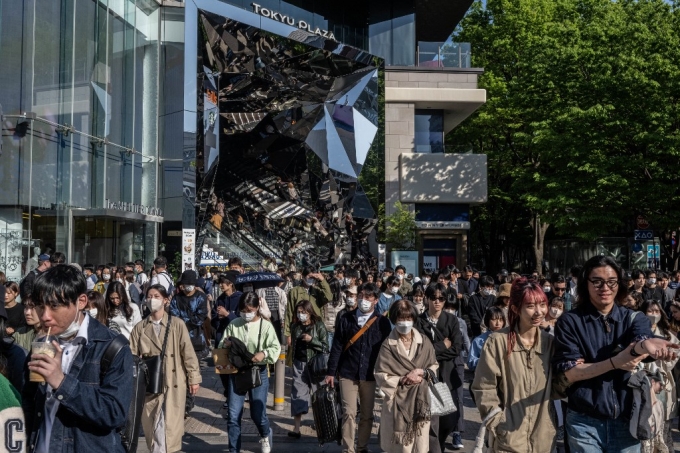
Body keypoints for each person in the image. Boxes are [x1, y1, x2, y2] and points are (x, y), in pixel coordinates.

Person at [553, 256, 680, 453]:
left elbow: (640, 341)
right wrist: (616, 361)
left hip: (627, 418)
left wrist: (645, 345)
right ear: (585, 283)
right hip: (583, 420)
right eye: (597, 281)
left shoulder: (634, 317)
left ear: (619, 284)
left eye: (611, 282)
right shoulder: (570, 322)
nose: (605, 287)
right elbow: (571, 373)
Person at [22, 264, 133, 452]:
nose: (45, 316)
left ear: (81, 301)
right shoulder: (42, 342)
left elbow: (114, 413)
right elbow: (30, 402)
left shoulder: (112, 347)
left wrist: (61, 381)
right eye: (41, 307)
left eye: (55, 306)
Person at [472, 278, 556, 452]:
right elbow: (483, 387)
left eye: (542, 304)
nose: (539, 312)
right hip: (507, 440)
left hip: (544, 440)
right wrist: (498, 423)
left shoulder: (550, 343)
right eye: (531, 306)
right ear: (516, 309)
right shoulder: (498, 342)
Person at [130, 284, 202, 452]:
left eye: (156, 296)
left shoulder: (177, 324)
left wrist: (194, 378)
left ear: (165, 299)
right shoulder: (140, 328)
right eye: (149, 296)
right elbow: (131, 356)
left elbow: (188, 353)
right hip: (150, 385)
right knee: (153, 426)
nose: (152, 299)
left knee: (169, 427)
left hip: (173, 381)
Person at [325, 282, 392, 453]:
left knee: (367, 415)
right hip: (348, 372)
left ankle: (362, 446)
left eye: (368, 296)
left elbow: (386, 349)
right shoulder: (346, 318)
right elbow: (337, 346)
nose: (363, 299)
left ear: (376, 300)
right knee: (348, 412)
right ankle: (348, 448)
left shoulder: (382, 322)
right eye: (361, 295)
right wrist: (331, 372)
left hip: (369, 374)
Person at [218, 292, 281, 453]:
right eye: (243, 310)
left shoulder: (265, 326)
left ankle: (266, 433)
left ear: (257, 308)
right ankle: (234, 449)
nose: (246, 314)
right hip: (237, 372)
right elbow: (221, 345)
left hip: (257, 371)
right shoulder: (234, 324)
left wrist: (264, 353)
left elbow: (275, 347)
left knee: (257, 413)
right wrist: (225, 344)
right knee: (233, 415)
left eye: (250, 310)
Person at [374, 299, 438, 453]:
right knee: (400, 446)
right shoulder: (388, 345)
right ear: (394, 320)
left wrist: (422, 372)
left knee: (419, 444)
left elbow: (433, 365)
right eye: (401, 319)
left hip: (420, 400)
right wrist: (402, 379)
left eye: (408, 318)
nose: (405, 322)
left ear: (414, 319)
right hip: (396, 400)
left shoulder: (424, 341)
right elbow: (380, 373)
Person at [418, 283, 464, 452]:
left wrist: (434, 352)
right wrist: (443, 346)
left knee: (449, 419)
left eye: (441, 298)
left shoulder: (451, 320)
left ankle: (441, 443)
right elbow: (420, 351)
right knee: (432, 419)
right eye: (433, 298)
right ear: (427, 299)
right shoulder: (419, 321)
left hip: (448, 374)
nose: (437, 302)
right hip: (428, 376)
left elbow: (457, 348)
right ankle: (435, 449)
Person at [639, 299, 679, 450]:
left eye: (656, 311)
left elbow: (675, 354)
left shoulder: (668, 335)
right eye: (650, 311)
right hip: (643, 382)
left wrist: (664, 360)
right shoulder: (638, 333)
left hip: (663, 382)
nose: (653, 315)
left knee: (663, 425)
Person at [287, 300, 328, 438]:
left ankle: (321, 425)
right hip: (299, 364)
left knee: (318, 396)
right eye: (298, 312)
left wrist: (312, 340)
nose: (301, 315)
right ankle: (296, 429)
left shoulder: (319, 326)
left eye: (303, 312)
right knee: (297, 395)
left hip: (316, 365)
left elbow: (326, 347)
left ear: (310, 312)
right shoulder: (295, 327)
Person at [170, 270, 209, 415]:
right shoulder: (176, 298)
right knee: (180, 373)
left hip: (196, 341)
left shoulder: (200, 297)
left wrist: (183, 322)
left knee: (191, 374)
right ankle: (182, 402)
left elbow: (201, 317)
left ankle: (187, 404)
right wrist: (183, 323)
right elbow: (173, 315)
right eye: (185, 284)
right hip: (178, 340)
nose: (187, 287)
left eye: (190, 284)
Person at [284, 267, 331, 344]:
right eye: (309, 276)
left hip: (315, 327)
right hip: (299, 327)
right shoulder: (294, 291)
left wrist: (322, 280)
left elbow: (329, 297)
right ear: (303, 276)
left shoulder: (317, 291)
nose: (311, 279)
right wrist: (288, 334)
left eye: (313, 277)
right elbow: (289, 312)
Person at [467, 307, 506, 372]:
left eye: (501, 320)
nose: (498, 323)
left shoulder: (508, 338)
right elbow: (471, 362)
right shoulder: (478, 340)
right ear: (487, 321)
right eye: (494, 319)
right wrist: (484, 360)